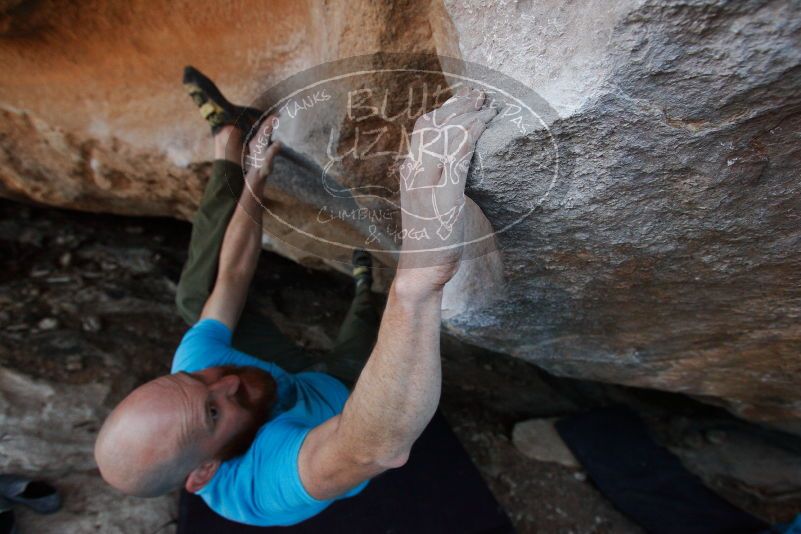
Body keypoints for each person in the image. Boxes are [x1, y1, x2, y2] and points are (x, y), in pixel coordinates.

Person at [94, 66, 496, 527]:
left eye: (195, 378)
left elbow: (233, 274)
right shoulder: (262, 485)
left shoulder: (203, 371)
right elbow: (370, 448)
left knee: (197, 304)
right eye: (213, 411)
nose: (225, 382)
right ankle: (364, 287)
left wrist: (256, 177)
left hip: (292, 381)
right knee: (364, 340)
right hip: (343, 402)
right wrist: (419, 279)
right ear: (204, 471)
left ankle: (231, 142)